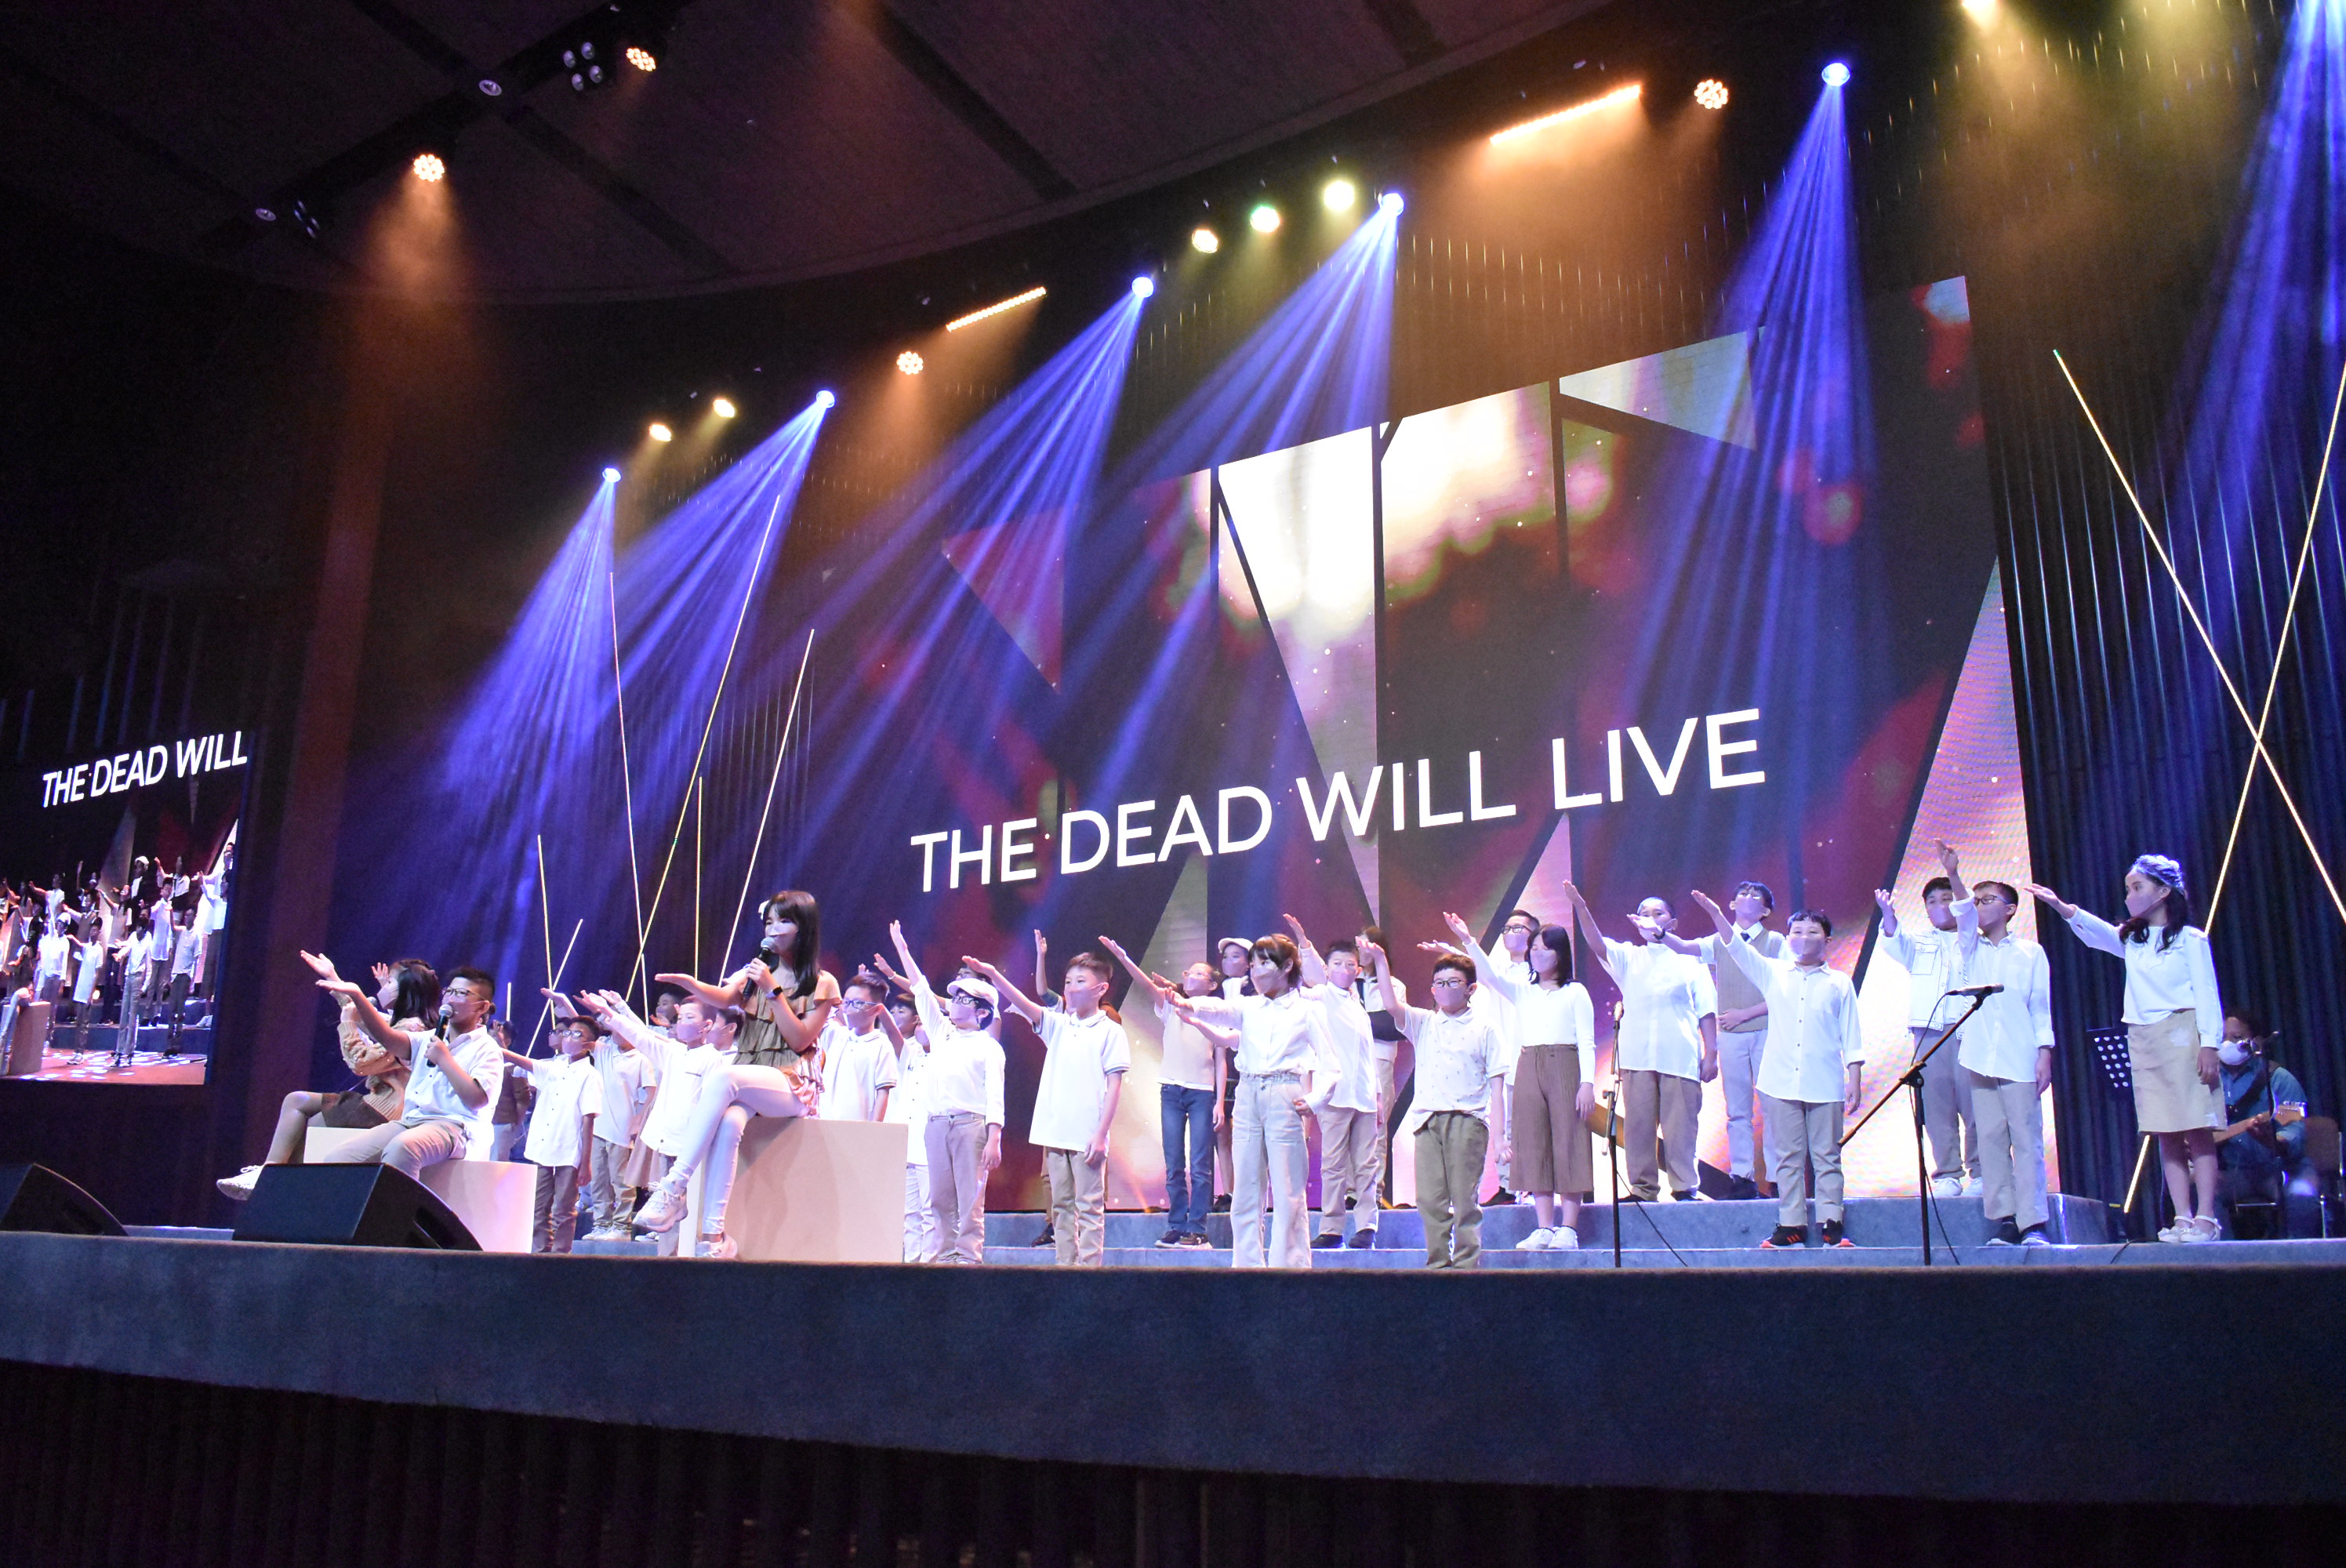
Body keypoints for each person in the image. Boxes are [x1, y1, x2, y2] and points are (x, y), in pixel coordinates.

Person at [2029, 855, 2225, 1243]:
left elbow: (2207, 993)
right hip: (2144, 1038)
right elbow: (2098, 934)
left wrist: (2209, 1045)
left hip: (2183, 1033)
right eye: (2127, 889)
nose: (2129, 896)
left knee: (2197, 1128)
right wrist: (2060, 906)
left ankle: (2206, 1217)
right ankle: (2182, 1217)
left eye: (2137, 888)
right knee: (2165, 1130)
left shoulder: (2190, 939)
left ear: (2163, 891)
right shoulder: (2134, 940)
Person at [1142, 932, 1331, 1269]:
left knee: (1288, 1189)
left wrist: (1316, 1098)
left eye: (1264, 963)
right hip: (1247, 1094)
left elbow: (1332, 1063)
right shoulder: (1248, 1006)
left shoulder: (1307, 1009)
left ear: (1287, 966)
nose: (1256, 971)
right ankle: (1247, 1266)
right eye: (1253, 964)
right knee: (1245, 1188)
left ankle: (1290, 1268)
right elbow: (1220, 1010)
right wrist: (1187, 1004)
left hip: (1285, 1092)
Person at [1687, 891, 1865, 1248]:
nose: (1803, 938)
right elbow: (1737, 948)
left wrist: (1855, 1078)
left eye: (1812, 932)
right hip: (1779, 1081)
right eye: (1796, 931)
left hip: (1824, 1081)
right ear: (1788, 937)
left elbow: (1852, 1035)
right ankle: (1791, 1224)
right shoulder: (1773, 972)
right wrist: (1717, 914)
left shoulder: (1839, 983)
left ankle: (1831, 1222)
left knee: (1827, 1155)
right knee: (1787, 1157)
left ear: (1827, 940)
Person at [215, 960, 436, 1200]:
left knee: (304, 1136)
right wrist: (333, 977)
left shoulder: (411, 1029)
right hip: (376, 1103)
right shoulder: (404, 1023)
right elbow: (361, 1012)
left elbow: (361, 1062)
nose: (383, 987)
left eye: (390, 982)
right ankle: (268, 1173)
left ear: (406, 990)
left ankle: (271, 1181)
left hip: (381, 1110)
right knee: (296, 1101)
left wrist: (348, 1023)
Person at [968, 946, 1130, 1266]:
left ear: (1101, 989)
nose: (1071, 988)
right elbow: (1024, 1003)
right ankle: (1064, 1268)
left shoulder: (1110, 1031)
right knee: (1061, 1207)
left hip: (1087, 1135)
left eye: (1080, 982)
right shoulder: (1058, 1024)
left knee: (1089, 1207)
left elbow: (1114, 1086)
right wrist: (993, 974)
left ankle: (1090, 1270)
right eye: (1068, 982)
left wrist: (1101, 1135)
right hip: (1054, 1132)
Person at [1444, 911, 1595, 1250]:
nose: (1537, 954)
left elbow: (1586, 1041)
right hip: (1528, 1065)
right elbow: (1489, 974)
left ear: (1560, 954)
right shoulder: (1524, 991)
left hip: (1565, 1064)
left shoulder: (1575, 992)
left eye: (1545, 949)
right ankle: (1544, 1227)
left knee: (1569, 1141)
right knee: (1534, 1143)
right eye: (1534, 948)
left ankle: (1569, 1228)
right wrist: (1467, 939)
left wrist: (1587, 1083)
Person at [1563, 884, 1716, 1202]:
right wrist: (1580, 907)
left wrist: (1711, 1053)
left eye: (1658, 913)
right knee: (1639, 1127)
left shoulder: (1691, 960)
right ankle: (1643, 1189)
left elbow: (1707, 1010)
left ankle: (1685, 1187)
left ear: (1672, 923)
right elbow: (1597, 944)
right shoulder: (1629, 957)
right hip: (1637, 1057)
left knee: (1681, 1128)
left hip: (1679, 1056)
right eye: (1644, 913)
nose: (1650, 918)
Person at [302, 956, 503, 1178]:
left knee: (403, 1148)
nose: (451, 998)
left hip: (456, 1127)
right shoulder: (428, 1038)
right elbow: (387, 1037)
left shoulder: (487, 1048)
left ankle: (398, 1203)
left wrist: (445, 1060)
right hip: (412, 1120)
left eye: (462, 993)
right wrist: (357, 996)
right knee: (339, 1158)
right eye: (450, 991)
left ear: (482, 1007)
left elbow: (477, 1100)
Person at [1372, 945, 1505, 1268]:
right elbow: (1391, 1004)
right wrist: (1379, 960)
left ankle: (1466, 1264)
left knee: (1464, 1198)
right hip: (1428, 1122)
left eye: (1453, 982)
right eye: (1439, 983)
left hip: (1467, 1120)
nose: (1445, 989)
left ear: (1471, 989)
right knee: (1430, 1200)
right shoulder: (1424, 1022)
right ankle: (1438, 1264)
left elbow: (1497, 1086)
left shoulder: (1485, 1029)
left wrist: (1501, 1138)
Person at [579, 989, 735, 1254]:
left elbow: (711, 1108)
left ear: (706, 1025)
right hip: (664, 1142)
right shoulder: (674, 1052)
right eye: (680, 1017)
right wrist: (609, 1012)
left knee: (689, 1209)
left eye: (689, 1018)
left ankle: (689, 1257)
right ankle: (667, 1259)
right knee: (665, 1211)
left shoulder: (714, 1060)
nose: (681, 1023)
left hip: (690, 1148)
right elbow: (641, 1035)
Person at [892, 922, 1005, 1265]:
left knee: (970, 1199)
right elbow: (921, 990)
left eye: (963, 1000)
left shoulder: (988, 1047)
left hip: (971, 1125)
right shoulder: (941, 1033)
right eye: (954, 997)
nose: (954, 1003)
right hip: (937, 1124)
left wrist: (994, 1138)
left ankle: (968, 1259)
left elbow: (995, 1095)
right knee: (940, 1198)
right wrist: (902, 948)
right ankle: (945, 1257)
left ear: (982, 1011)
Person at [1874, 840, 1980, 1197]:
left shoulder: (1974, 937)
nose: (1940, 905)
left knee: (1975, 1104)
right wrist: (1888, 913)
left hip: (1969, 1029)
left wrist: (1953, 873)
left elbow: (1968, 912)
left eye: (1947, 898)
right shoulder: (1918, 942)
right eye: (1932, 901)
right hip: (1929, 1034)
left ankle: (1981, 1171)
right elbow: (1893, 939)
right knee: (1936, 1106)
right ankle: (1948, 1173)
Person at [1955, 880, 2057, 1246]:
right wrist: (1953, 874)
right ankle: (2006, 1219)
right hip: (1980, 1057)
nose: (1979, 906)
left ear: (2010, 909)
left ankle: (2033, 1222)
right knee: (1990, 1140)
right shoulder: (1970, 946)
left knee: (2027, 1140)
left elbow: (2040, 1006)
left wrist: (2044, 1052)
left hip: (2019, 1055)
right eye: (1976, 900)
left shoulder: (2030, 952)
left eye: (1988, 900)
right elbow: (1963, 915)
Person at [1103, 947, 1224, 1248]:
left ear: (1212, 984)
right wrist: (1124, 958)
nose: (1191, 976)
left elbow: (1221, 1059)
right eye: (1189, 972)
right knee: (1174, 1163)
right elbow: (1146, 985)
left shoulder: (1217, 1010)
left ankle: (1198, 1228)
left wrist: (1220, 1102)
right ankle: (1177, 1225)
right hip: (1171, 1090)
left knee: (1200, 1164)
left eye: (1199, 973)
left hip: (1202, 1092)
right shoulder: (1171, 1004)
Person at [1690, 881, 1781, 1200]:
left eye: (1756, 896)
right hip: (1730, 1036)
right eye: (1742, 893)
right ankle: (1742, 1177)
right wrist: (1659, 934)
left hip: (1768, 1031)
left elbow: (1786, 992)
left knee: (1774, 1106)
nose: (1748, 898)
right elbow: (1684, 947)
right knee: (1737, 1111)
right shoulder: (1718, 941)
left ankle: (1778, 1177)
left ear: (1766, 911)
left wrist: (1745, 1014)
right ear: (1731, 905)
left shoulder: (1776, 942)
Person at [502, 1016, 602, 1254]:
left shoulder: (590, 1075)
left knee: (563, 1209)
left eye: (578, 1034)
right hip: (543, 1146)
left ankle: (560, 1254)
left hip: (569, 1149)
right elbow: (519, 1060)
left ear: (589, 1045)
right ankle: (540, 1252)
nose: (569, 1038)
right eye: (568, 1032)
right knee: (538, 1207)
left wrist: (586, 1162)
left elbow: (588, 1119)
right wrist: (499, 1046)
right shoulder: (553, 1067)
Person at [2212, 1011, 2309, 1238]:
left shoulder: (2279, 1078)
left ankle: (2300, 1258)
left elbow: (2295, 1129)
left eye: (2236, 1038)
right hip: (2232, 1172)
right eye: (2222, 1038)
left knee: (2302, 1196)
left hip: (2280, 1170)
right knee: (2202, 1192)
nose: (2227, 1044)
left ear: (2254, 1041)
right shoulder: (2208, 1081)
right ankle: (2223, 1258)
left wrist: (2274, 1141)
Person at [582, 994, 655, 1241]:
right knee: (599, 1179)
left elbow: (651, 1092)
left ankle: (621, 1227)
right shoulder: (605, 1050)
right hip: (598, 1127)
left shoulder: (642, 1059)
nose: (614, 1032)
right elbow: (581, 1033)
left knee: (621, 1180)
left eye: (619, 1029)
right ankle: (601, 1224)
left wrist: (639, 1119)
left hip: (622, 1128)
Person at [881, 991, 940, 1262]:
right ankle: (912, 1263)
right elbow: (893, 1034)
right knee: (909, 1211)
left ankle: (929, 1264)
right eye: (919, 1025)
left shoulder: (946, 1057)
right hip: (906, 1141)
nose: (921, 1029)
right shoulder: (910, 1053)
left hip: (930, 1144)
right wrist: (879, 1008)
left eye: (925, 1024)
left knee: (930, 1210)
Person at [815, 977, 899, 1121]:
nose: (849, 1009)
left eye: (858, 1003)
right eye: (846, 1002)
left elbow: (883, 1093)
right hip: (823, 1124)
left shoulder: (881, 1044)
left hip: (858, 1127)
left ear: (877, 1009)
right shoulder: (836, 1034)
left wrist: (874, 1129)